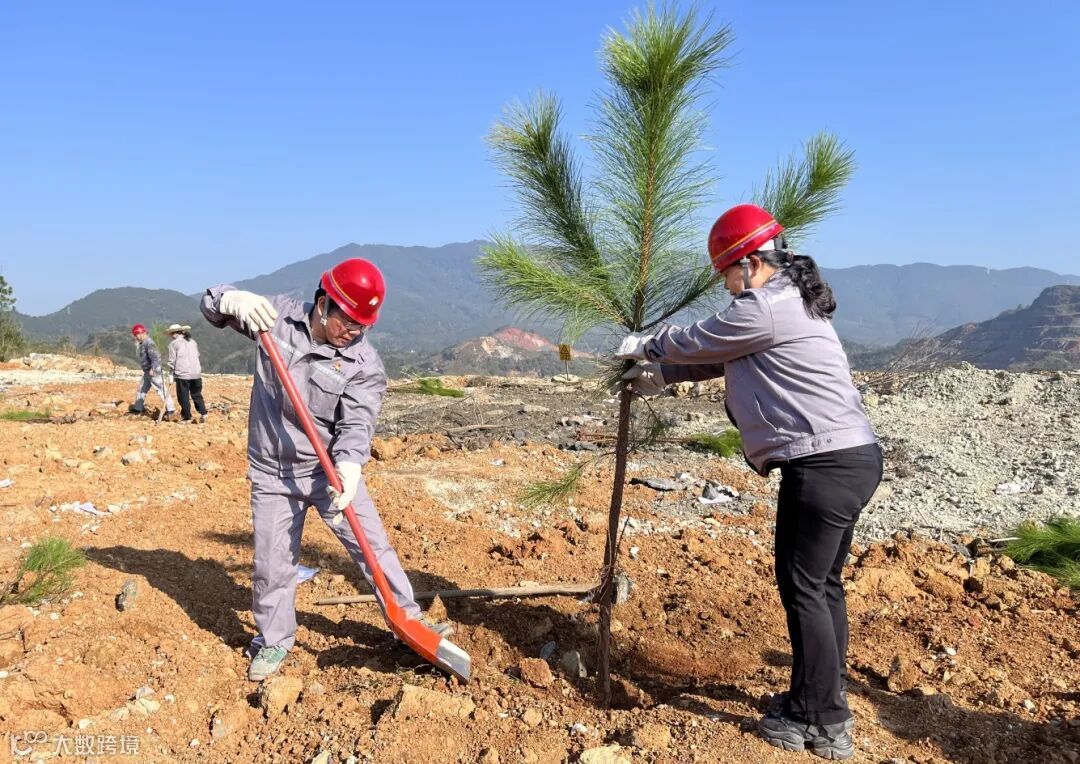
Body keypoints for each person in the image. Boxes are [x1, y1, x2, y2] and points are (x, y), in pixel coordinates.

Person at [615, 204, 882, 760]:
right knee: (820, 587)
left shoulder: (765, 305)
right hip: (847, 458)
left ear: (751, 261)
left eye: (726, 272)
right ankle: (815, 701)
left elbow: (703, 339)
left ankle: (824, 723)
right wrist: (659, 378)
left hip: (823, 464)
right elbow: (722, 357)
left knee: (803, 588)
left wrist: (646, 346)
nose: (726, 284)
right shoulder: (785, 302)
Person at [200, 258, 452, 682]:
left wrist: (350, 466)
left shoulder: (363, 364)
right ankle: (274, 639)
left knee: (371, 545)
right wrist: (230, 299)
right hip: (272, 471)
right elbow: (211, 306)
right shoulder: (276, 318)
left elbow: (358, 422)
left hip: (328, 473)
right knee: (272, 561)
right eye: (349, 321)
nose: (355, 332)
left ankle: (408, 620)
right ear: (323, 303)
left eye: (363, 325)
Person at [128, 324, 177, 420]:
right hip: (147, 371)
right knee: (141, 389)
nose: (136, 338)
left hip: (153, 371)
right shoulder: (143, 343)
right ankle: (138, 408)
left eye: (136, 335)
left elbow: (156, 357)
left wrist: (153, 368)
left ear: (141, 333)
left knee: (161, 389)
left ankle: (170, 409)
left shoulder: (149, 343)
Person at [166, 323, 208, 424]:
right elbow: (197, 355)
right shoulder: (192, 342)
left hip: (182, 374)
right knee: (196, 394)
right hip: (196, 373)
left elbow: (172, 361)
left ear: (175, 334)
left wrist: (171, 374)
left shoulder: (174, 344)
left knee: (183, 396)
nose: (171, 336)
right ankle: (203, 413)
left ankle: (187, 417)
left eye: (171, 334)